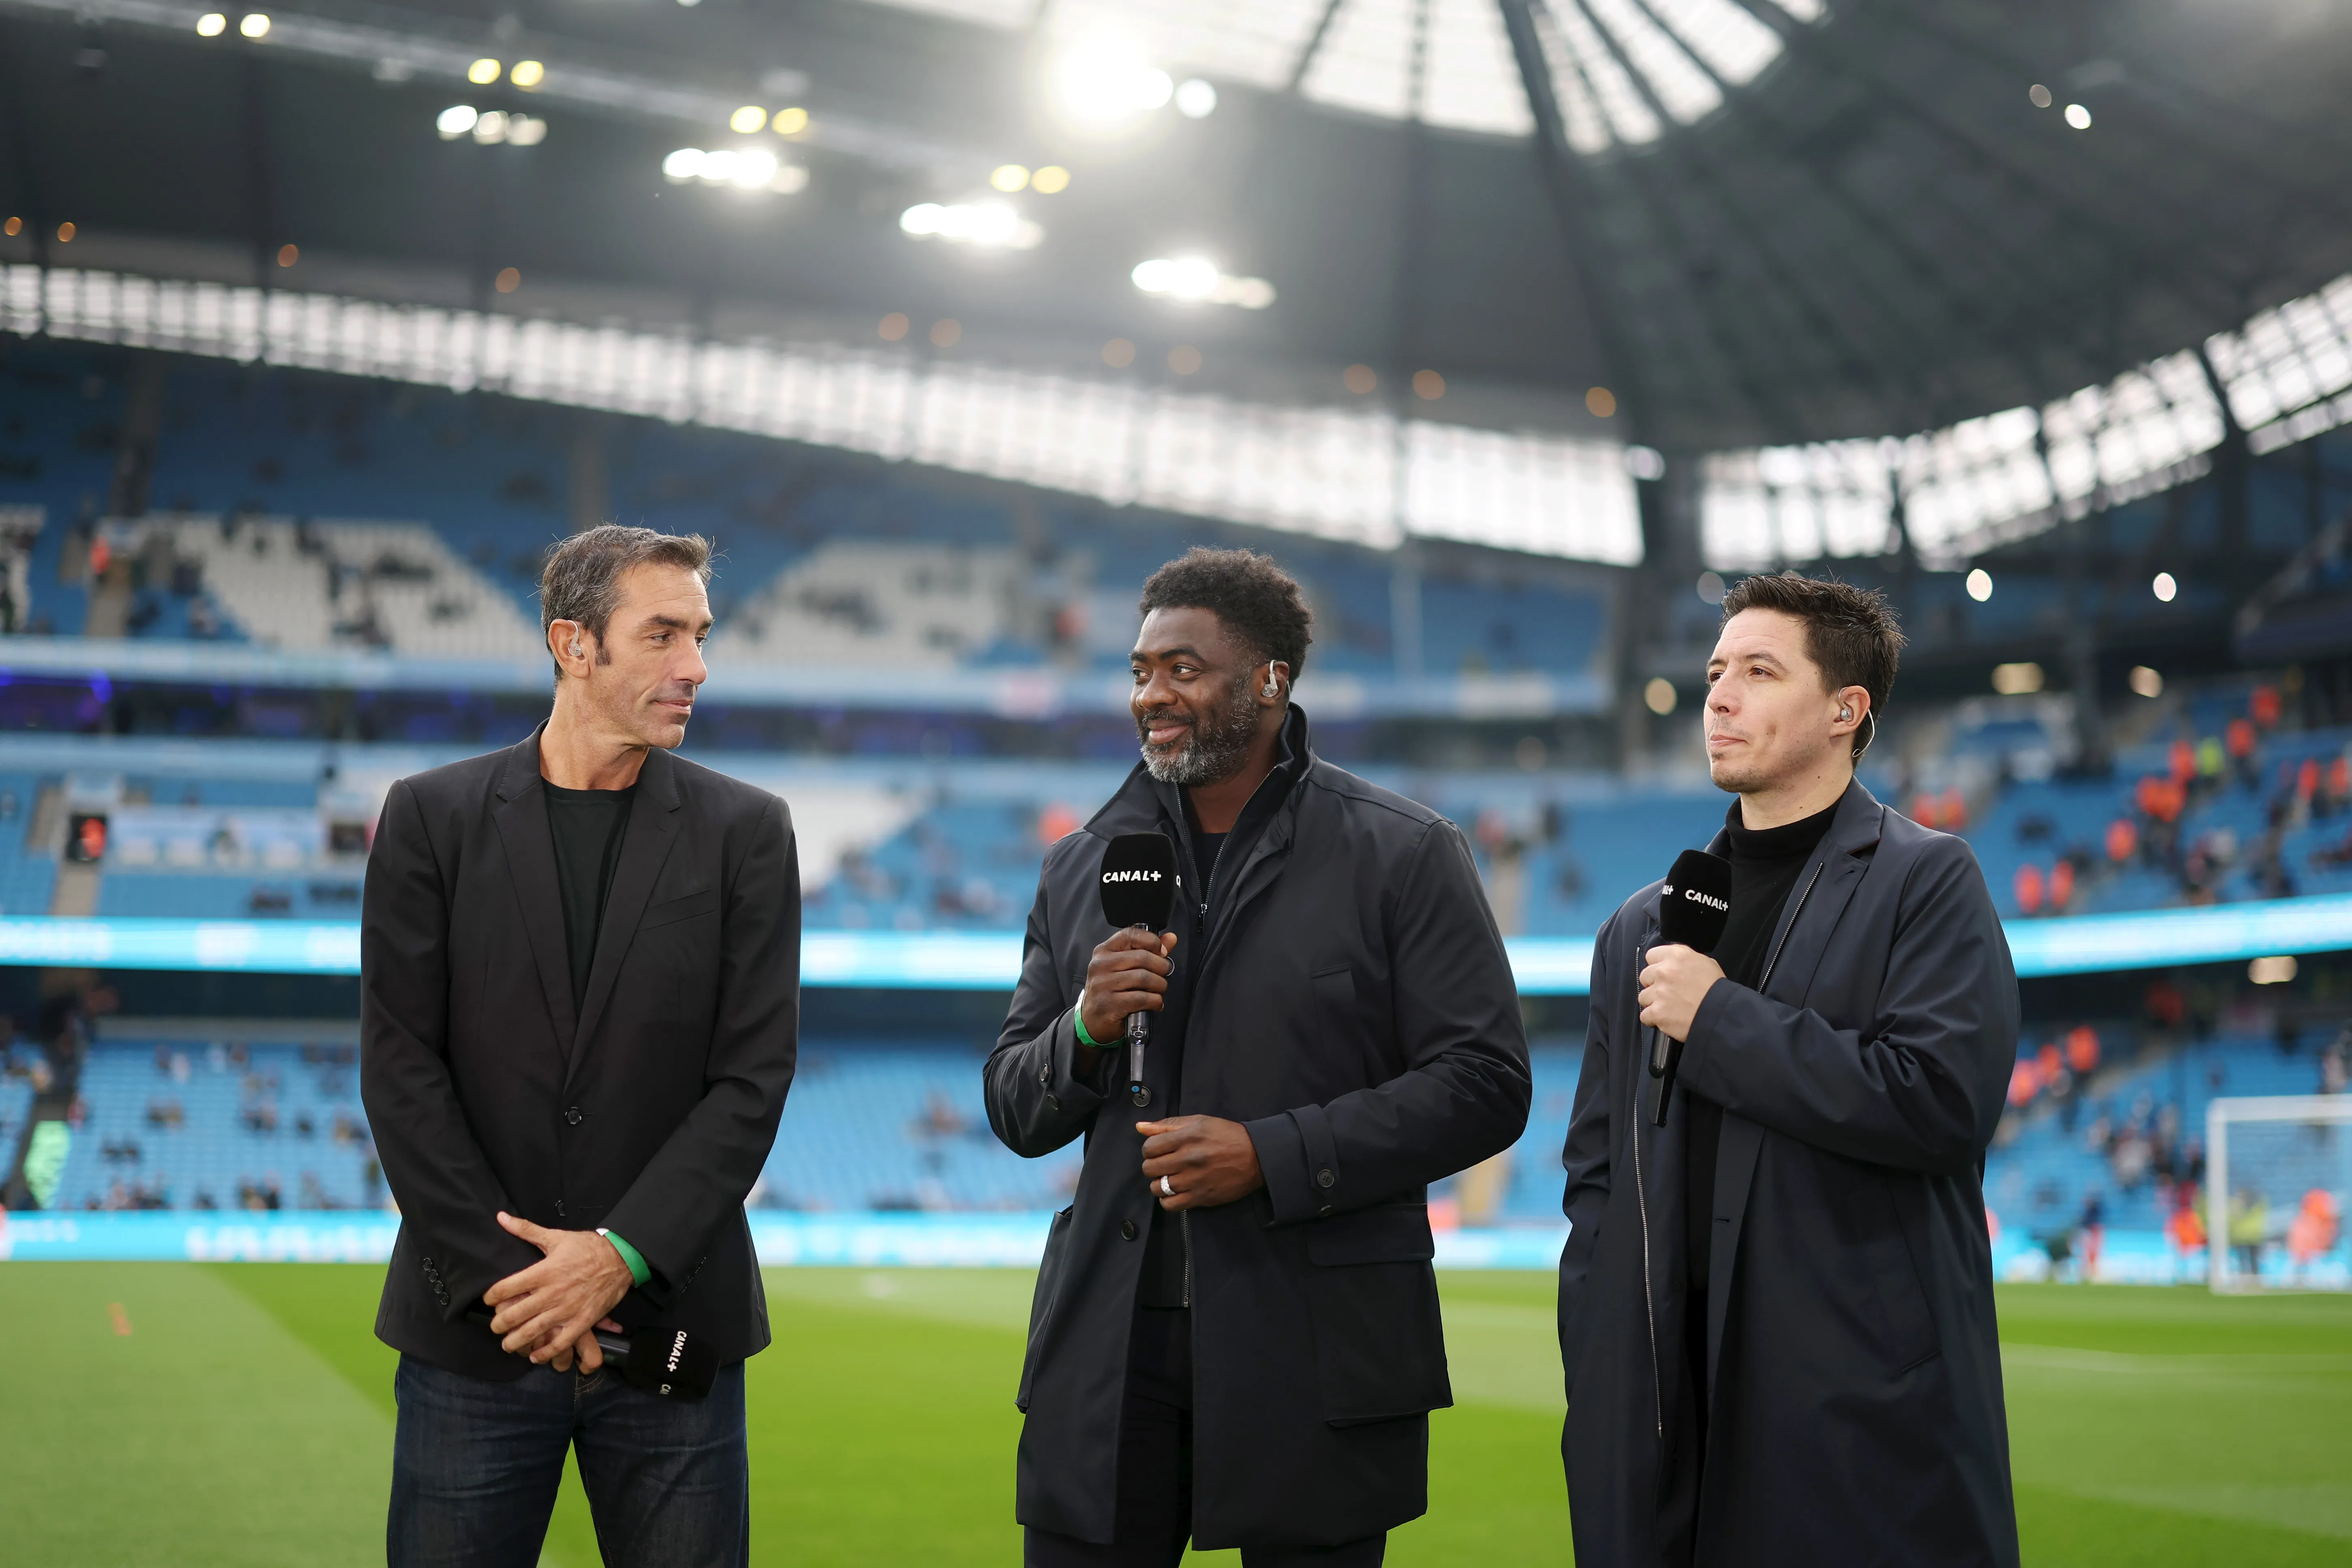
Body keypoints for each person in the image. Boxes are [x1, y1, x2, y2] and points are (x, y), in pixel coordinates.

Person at [986, 548, 1531, 1566]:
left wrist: (1271, 1155)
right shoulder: (1080, 864)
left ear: (1271, 680)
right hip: (1109, 1352)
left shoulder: (1405, 852)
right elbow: (1015, 1106)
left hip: (1314, 1346)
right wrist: (1086, 1032)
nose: (1153, 694)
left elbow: (1487, 1084)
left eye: (1184, 669)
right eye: (1142, 671)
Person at [1559, 571, 2020, 1567]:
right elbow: (1596, 1182)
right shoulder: (1639, 925)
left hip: (1846, 1418)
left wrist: (1718, 1019)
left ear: (1845, 711)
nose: (1718, 696)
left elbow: (1939, 1101)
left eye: (1759, 672)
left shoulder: (1926, 879)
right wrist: (1595, 1372)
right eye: (1717, 670)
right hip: (1657, 1421)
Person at [361, 525, 800, 1568]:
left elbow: (752, 1079)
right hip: (481, 1329)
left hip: (672, 1328)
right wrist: (522, 1285)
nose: (695, 666)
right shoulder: (431, 818)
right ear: (574, 644)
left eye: (700, 635)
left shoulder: (748, 830)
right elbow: (400, 1066)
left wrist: (616, 1258)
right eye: (662, 635)